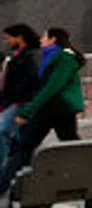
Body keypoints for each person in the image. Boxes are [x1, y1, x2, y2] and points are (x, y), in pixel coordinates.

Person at [0, 27, 85, 194]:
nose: (41, 40)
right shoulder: (50, 56)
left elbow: (51, 87)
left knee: (70, 143)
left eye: (45, 37)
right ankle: (8, 182)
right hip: (48, 109)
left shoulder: (65, 58)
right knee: (26, 145)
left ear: (53, 40)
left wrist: (27, 111)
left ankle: (85, 173)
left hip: (60, 109)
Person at [0, 25, 42, 172]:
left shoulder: (32, 55)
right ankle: (16, 165)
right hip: (15, 100)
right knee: (17, 136)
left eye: (8, 38)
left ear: (19, 37)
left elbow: (33, 80)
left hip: (22, 101)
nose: (6, 41)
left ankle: (6, 166)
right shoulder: (18, 54)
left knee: (4, 131)